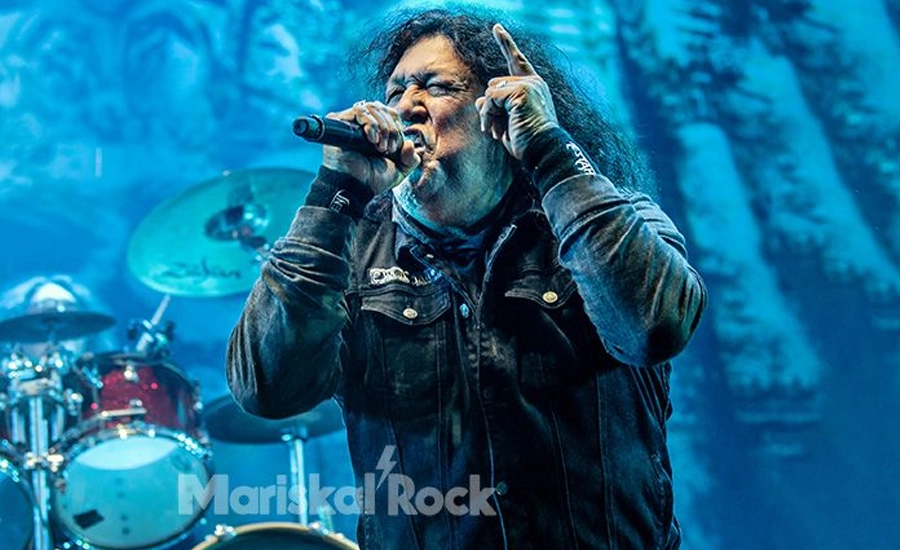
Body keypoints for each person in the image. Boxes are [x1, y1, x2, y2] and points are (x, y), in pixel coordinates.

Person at [227, 7, 707, 549]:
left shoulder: (611, 221)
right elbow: (266, 389)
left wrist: (548, 146)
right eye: (395, 91)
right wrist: (335, 194)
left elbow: (652, 328)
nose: (406, 105)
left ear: (499, 113)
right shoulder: (355, 252)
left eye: (435, 87)